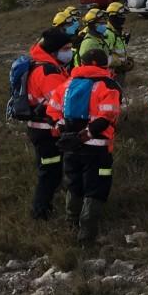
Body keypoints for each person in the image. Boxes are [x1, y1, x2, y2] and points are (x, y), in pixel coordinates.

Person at [46, 49, 122, 246]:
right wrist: (86, 134)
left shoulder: (67, 83)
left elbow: (52, 111)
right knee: (95, 188)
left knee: (74, 183)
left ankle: (71, 223)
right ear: (103, 64)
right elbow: (107, 117)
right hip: (97, 148)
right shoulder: (109, 85)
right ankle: (87, 235)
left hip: (70, 146)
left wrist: (64, 131)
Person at [25, 29, 73, 219]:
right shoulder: (48, 72)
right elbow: (61, 102)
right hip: (46, 131)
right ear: (53, 50)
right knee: (49, 173)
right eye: (66, 49)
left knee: (51, 170)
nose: (69, 52)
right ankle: (40, 212)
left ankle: (45, 207)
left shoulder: (47, 66)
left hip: (43, 128)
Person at [104, 2, 134, 85]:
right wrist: (120, 63)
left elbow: (117, 50)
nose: (123, 18)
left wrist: (126, 59)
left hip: (119, 71)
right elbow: (105, 56)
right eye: (121, 15)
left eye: (124, 15)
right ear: (113, 16)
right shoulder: (108, 34)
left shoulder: (117, 31)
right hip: (112, 72)